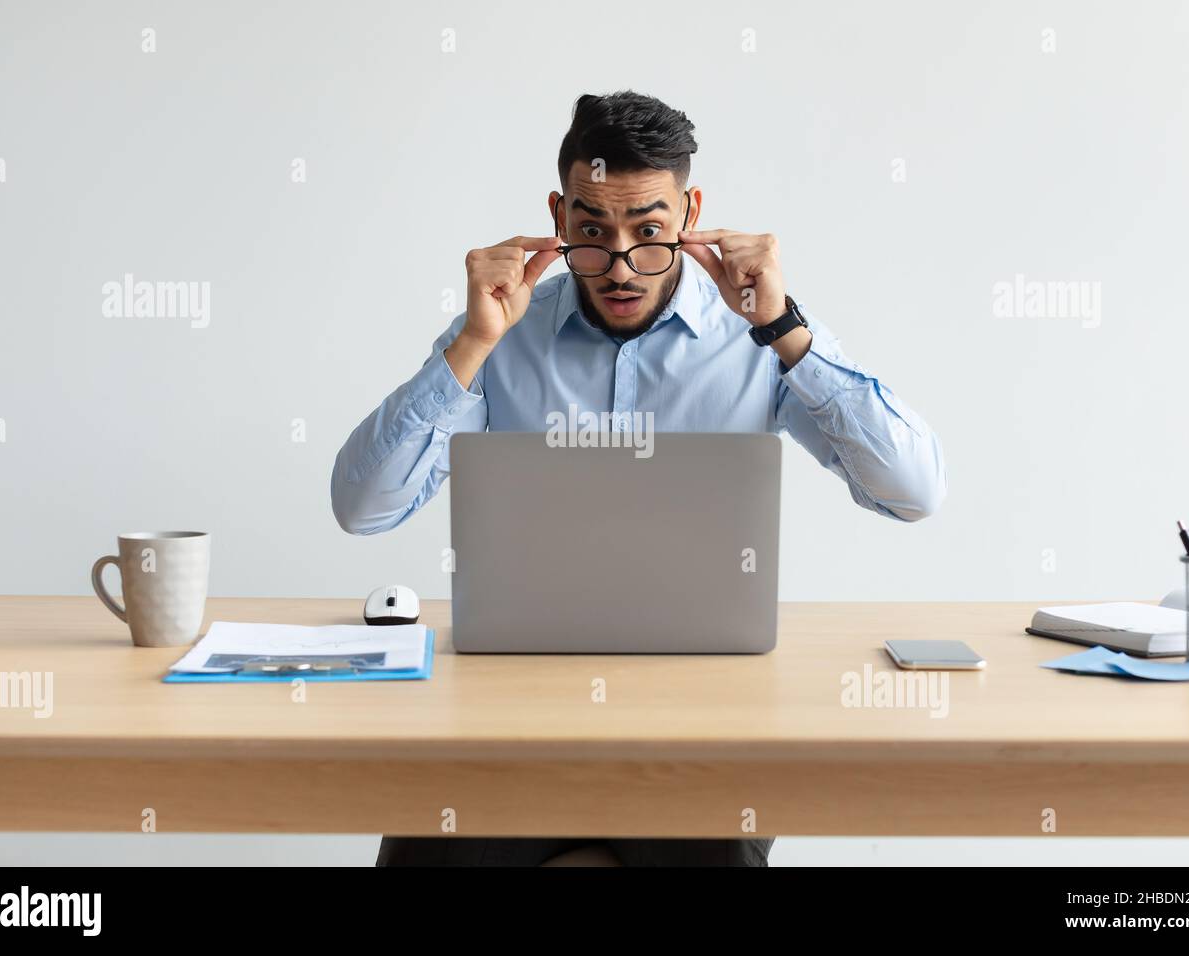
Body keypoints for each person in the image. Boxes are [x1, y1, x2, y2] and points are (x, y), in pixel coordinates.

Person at [332, 91, 946, 866]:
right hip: (511, 722)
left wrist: (787, 330)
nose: (620, 267)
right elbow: (362, 508)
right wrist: (470, 347)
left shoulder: (759, 336)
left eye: (648, 233)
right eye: (592, 232)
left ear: (690, 212)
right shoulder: (498, 337)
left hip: (702, 727)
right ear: (558, 217)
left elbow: (914, 491)